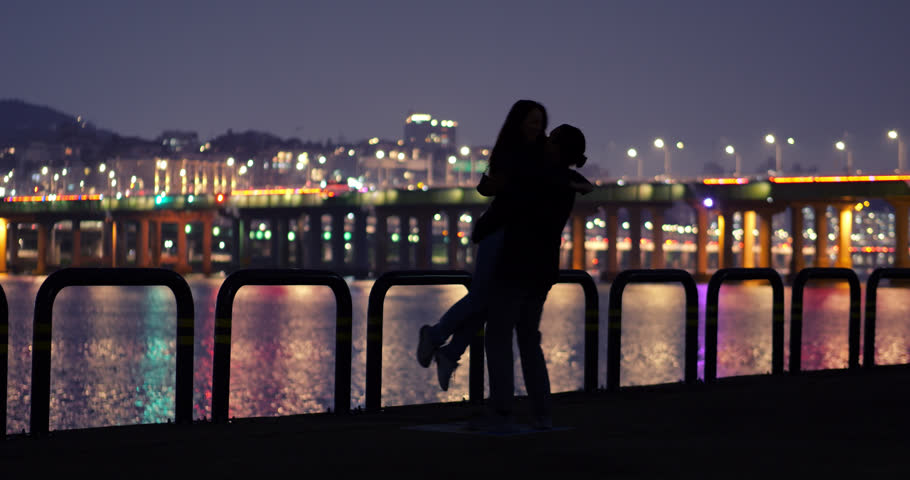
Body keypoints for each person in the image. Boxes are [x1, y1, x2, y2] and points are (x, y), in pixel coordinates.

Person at [414, 99, 549, 390]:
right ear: (519, 122)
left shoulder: (539, 154)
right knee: (481, 298)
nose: (537, 127)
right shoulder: (512, 153)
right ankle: (436, 338)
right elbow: (501, 187)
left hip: (515, 239)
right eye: (532, 121)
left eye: (541, 122)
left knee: (490, 301)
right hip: (498, 233)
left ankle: (448, 351)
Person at [481, 124, 592, 431]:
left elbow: (503, 192)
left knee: (499, 336)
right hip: (543, 271)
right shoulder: (565, 182)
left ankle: (502, 410)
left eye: (550, 139)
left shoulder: (542, 179)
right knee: (529, 339)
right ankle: (542, 413)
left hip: (517, 265)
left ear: (556, 148)